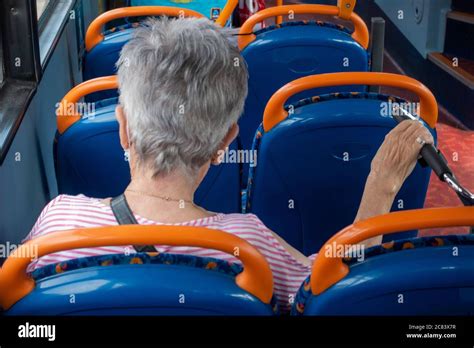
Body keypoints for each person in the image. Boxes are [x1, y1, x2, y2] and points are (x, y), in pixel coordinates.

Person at [24, 17, 433, 313]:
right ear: (224, 143)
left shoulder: (56, 226)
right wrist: (380, 182)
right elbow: (331, 290)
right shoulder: (248, 246)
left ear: (124, 129)